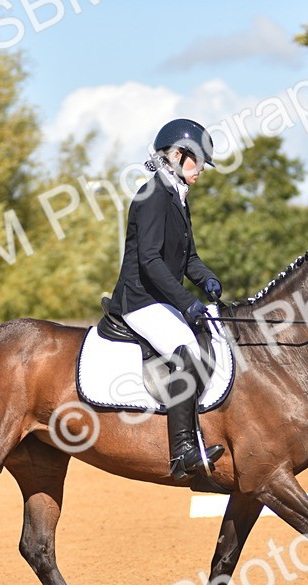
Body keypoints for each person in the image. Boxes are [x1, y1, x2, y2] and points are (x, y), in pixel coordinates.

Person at [110, 118, 225, 480]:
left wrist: (206, 279)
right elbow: (150, 260)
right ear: (177, 155)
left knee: (213, 338)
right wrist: (185, 301)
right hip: (139, 300)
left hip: (161, 299)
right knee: (186, 350)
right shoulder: (152, 195)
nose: (202, 170)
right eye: (199, 161)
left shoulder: (176, 196)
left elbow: (187, 257)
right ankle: (182, 452)